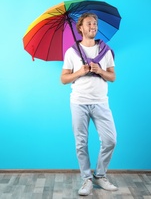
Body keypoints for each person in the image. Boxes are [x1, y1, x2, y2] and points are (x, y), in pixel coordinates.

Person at [60, 13, 117, 196]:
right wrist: (79, 72)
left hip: (100, 102)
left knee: (110, 140)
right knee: (81, 143)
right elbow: (63, 79)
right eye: (89, 23)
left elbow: (112, 77)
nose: (93, 26)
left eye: (95, 23)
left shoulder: (106, 51)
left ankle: (100, 175)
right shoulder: (72, 52)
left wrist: (100, 70)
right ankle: (86, 179)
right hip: (79, 102)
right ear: (81, 28)